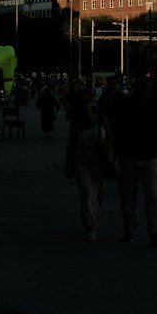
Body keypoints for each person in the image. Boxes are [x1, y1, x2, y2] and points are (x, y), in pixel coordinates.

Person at [107, 75, 157, 247]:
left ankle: (155, 230)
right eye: (144, 88)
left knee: (149, 195)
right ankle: (132, 228)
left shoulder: (152, 105)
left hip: (146, 155)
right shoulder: (127, 106)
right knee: (131, 196)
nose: (146, 91)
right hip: (131, 156)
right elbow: (118, 132)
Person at [64, 92, 114, 241]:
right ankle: (90, 225)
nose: (86, 104)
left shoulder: (101, 120)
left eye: (88, 101)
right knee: (86, 192)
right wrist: (68, 164)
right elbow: (71, 144)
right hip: (82, 159)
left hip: (98, 158)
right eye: (83, 102)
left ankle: (94, 214)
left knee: (97, 191)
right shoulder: (76, 123)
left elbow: (111, 138)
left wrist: (105, 145)